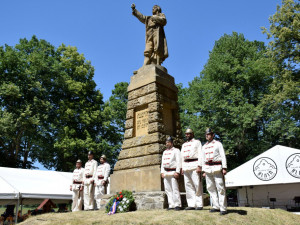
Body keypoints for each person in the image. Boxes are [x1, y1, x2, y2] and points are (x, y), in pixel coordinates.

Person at [200, 128, 227, 215]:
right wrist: (203, 170)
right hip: (208, 169)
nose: (207, 136)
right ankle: (216, 206)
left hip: (217, 167)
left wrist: (224, 167)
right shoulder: (204, 146)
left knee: (220, 188)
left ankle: (223, 208)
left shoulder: (218, 144)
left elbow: (223, 156)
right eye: (206, 134)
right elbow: (203, 159)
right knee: (210, 187)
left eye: (209, 134)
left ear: (213, 135)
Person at [181, 128, 203, 210]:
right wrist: (182, 167)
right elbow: (182, 157)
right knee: (188, 186)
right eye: (186, 134)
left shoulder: (197, 142)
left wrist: (199, 166)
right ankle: (191, 204)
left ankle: (199, 204)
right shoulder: (184, 145)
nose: (187, 135)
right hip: (186, 166)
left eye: (189, 133)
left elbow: (200, 154)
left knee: (197, 185)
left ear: (192, 134)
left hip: (195, 165)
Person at [161, 136, 182, 210]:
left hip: (173, 172)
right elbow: (162, 163)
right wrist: (162, 172)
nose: (167, 144)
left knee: (175, 189)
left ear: (172, 143)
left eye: (168, 142)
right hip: (166, 172)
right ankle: (171, 204)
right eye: (166, 142)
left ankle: (177, 204)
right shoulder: (164, 152)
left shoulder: (176, 150)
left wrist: (177, 172)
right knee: (168, 190)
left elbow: (179, 162)